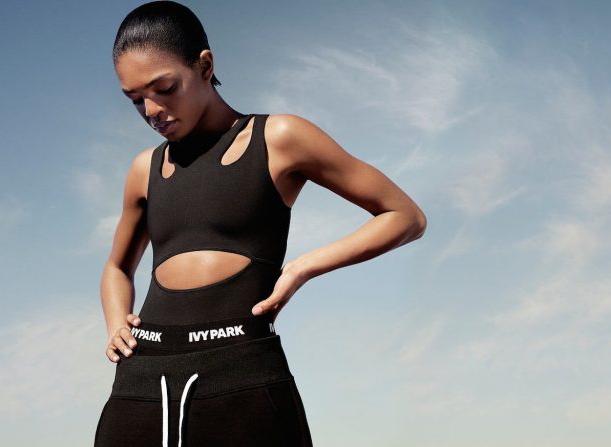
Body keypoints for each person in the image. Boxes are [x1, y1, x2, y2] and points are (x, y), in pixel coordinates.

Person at [94, 2, 427, 446]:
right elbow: (117, 267)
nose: (152, 109)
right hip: (142, 379)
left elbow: (404, 216)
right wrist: (116, 324)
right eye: (136, 100)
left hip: (241, 370)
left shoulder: (280, 139)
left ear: (205, 66)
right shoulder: (144, 170)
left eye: (165, 88)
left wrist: (302, 267)